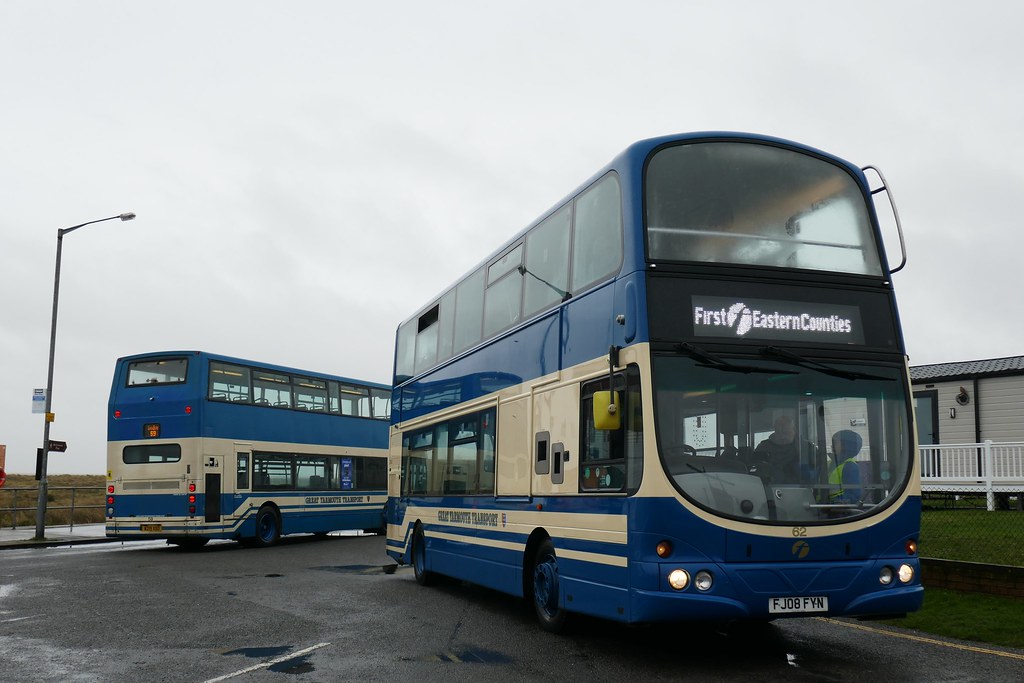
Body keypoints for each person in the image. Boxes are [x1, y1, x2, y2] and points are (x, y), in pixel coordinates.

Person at [752, 415, 805, 482]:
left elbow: (815, 475)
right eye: (779, 433)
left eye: (786, 433)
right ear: (774, 431)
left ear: (794, 430)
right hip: (768, 488)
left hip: (800, 489)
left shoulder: (805, 448)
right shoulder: (763, 448)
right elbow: (754, 471)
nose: (782, 437)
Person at [829, 430, 863, 503]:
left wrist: (834, 502)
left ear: (846, 446)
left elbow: (854, 495)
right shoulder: (829, 463)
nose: (832, 446)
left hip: (840, 510)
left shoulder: (850, 466)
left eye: (835, 443)